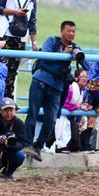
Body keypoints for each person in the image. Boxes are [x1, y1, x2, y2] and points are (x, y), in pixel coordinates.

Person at [23, 20, 85, 161]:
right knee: (32, 113)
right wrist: (64, 54)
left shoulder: (74, 47)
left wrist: (77, 55)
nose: (71, 34)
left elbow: (85, 62)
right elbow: (45, 57)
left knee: (51, 119)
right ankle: (27, 144)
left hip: (57, 87)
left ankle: (37, 147)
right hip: (41, 81)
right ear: (61, 31)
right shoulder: (52, 40)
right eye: (69, 31)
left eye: (73, 31)